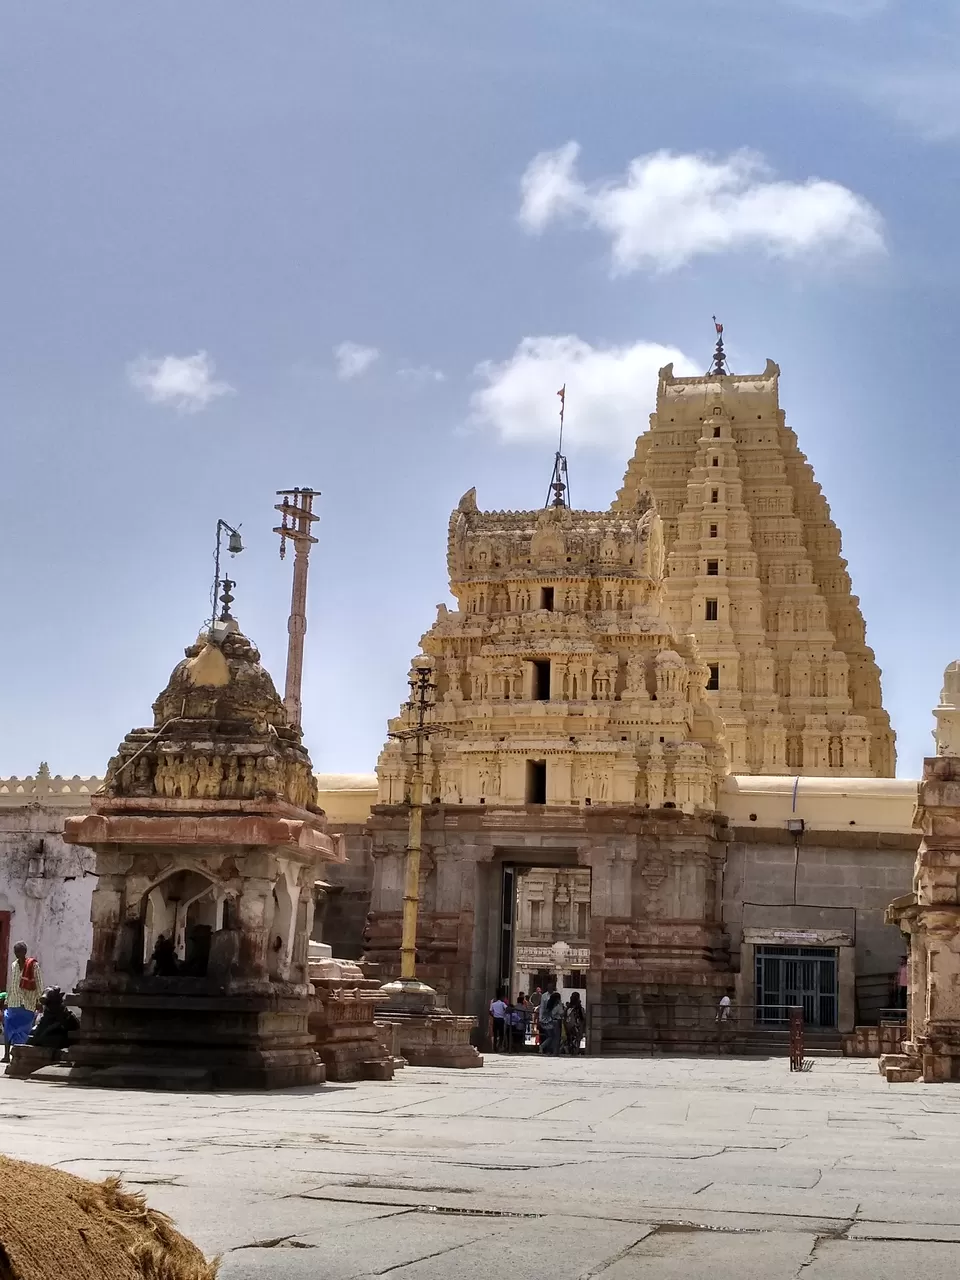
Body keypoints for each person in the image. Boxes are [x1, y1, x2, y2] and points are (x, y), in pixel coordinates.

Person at [4, 941, 43, 1050]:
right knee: (8, 1027)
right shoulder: (14, 965)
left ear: (24, 952)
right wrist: (7, 1000)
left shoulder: (33, 966)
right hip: (13, 1002)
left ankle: (20, 1055)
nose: (17, 954)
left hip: (27, 1004)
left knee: (24, 1032)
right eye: (15, 952)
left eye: (19, 952)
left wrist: (40, 1001)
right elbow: (12, 984)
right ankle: (7, 1054)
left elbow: (39, 984)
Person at [27, 987, 80, 1052]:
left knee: (49, 1040)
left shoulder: (65, 1014)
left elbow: (71, 1029)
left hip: (62, 1039)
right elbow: (42, 1027)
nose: (47, 1007)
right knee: (32, 1038)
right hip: (49, 1038)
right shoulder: (48, 1013)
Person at [564, 991, 587, 1056]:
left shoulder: (568, 1007)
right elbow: (583, 1017)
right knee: (578, 1039)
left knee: (570, 1038)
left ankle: (570, 1049)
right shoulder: (579, 1007)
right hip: (577, 1025)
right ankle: (576, 1051)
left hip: (569, 1025)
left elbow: (564, 1015)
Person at [489, 987, 508, 1051]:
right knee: (501, 1034)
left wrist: (494, 1015)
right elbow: (507, 1008)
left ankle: (494, 1047)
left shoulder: (493, 1004)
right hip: (501, 1019)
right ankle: (499, 1046)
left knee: (495, 1033)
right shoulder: (502, 1004)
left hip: (495, 1019)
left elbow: (490, 1011)